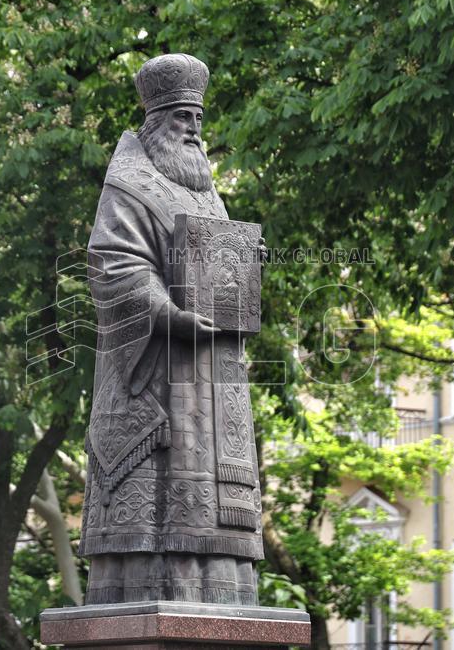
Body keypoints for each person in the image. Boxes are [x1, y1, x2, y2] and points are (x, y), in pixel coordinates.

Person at [77, 53, 263, 606]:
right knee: (157, 510)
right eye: (183, 118)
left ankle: (222, 597)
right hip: (156, 372)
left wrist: (245, 272)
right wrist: (167, 314)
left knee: (216, 516)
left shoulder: (207, 191)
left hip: (215, 379)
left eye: (198, 120)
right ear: (155, 122)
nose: (194, 131)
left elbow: (218, 267)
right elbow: (113, 262)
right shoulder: (128, 182)